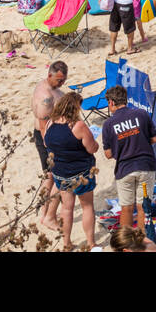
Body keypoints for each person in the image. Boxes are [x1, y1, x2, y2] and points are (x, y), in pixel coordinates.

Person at [100, 84, 156, 234]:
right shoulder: (141, 114)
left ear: (112, 103)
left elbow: (108, 154)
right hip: (146, 165)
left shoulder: (108, 124)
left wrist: (121, 148)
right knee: (142, 207)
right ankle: (140, 242)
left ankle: (125, 243)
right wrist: (139, 141)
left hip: (125, 169)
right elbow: (155, 139)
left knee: (126, 208)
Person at [44, 91, 99, 251]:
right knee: (87, 207)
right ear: (74, 108)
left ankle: (66, 243)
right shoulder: (78, 126)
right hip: (81, 173)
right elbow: (92, 148)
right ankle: (91, 243)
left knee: (66, 209)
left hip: (60, 173)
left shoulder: (50, 123)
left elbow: (48, 145)